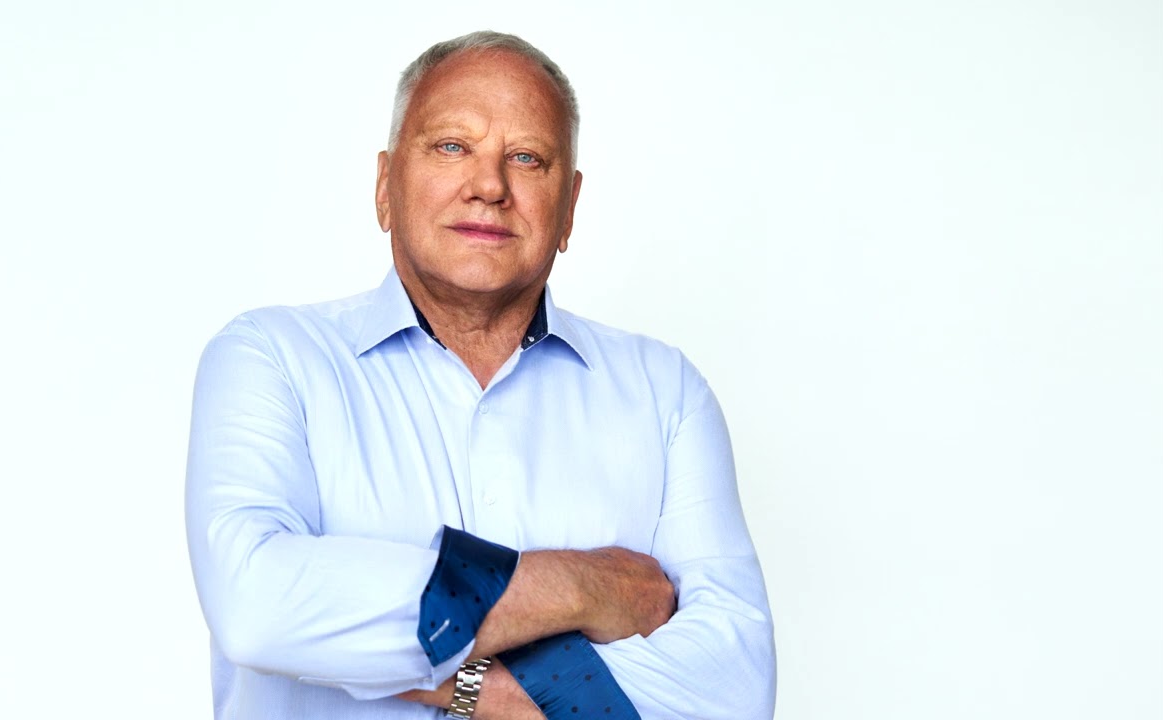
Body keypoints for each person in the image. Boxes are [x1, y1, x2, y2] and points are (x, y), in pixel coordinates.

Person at [185, 30, 775, 720]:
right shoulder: (271, 358)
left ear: (569, 208)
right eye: (451, 147)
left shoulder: (665, 392)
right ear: (384, 188)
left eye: (527, 158)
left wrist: (462, 686)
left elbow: (735, 688)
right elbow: (256, 605)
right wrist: (583, 587)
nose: (490, 186)